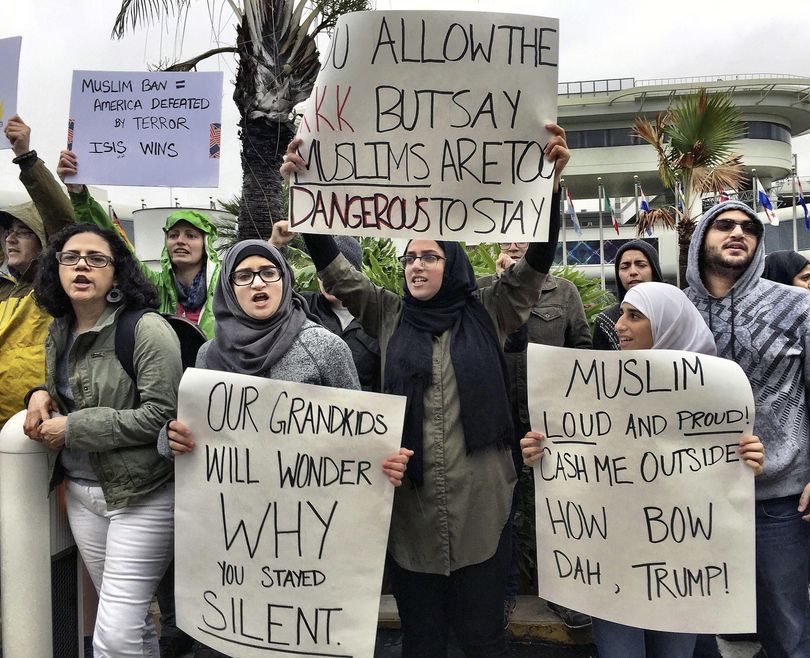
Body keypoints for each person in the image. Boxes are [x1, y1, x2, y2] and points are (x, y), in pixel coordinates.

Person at [280, 123, 569, 657]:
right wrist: (305, 194)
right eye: (411, 257)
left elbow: (536, 264)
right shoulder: (389, 315)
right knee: (424, 640)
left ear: (452, 264)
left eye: (430, 256)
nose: (417, 264)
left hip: (482, 503)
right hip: (411, 513)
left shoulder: (491, 309)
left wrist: (550, 187)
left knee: (483, 638)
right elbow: (338, 273)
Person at [158, 240, 410, 658]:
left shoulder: (325, 347)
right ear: (229, 287)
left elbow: (360, 434)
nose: (257, 283)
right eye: (244, 275)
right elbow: (190, 437)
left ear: (285, 279)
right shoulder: (208, 353)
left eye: (268, 272)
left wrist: (384, 459)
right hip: (235, 541)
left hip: (308, 538)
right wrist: (171, 439)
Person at [521, 281, 764, 657]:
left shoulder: (719, 390)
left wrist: (747, 458)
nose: (618, 325)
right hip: (613, 559)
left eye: (634, 316)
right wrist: (541, 451)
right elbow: (577, 458)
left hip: (684, 567)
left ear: (668, 323)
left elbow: (724, 468)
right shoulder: (596, 389)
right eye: (622, 313)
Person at [684, 199, 810, 656]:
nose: (738, 232)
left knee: (786, 630)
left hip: (777, 501)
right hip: (688, 501)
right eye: (724, 225)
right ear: (702, 237)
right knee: (690, 630)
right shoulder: (673, 309)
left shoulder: (798, 306)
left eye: (749, 227)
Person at [24, 224, 182, 656]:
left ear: (118, 273)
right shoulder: (59, 330)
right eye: (71, 257)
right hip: (81, 493)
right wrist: (37, 393)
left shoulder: (146, 330)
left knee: (113, 632)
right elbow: (70, 387)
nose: (82, 266)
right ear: (55, 268)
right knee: (129, 624)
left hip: (142, 494)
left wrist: (74, 429)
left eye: (97, 259)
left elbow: (161, 416)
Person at [478, 241, 592, 629]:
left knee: (557, 508)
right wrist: (502, 286)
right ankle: (503, 595)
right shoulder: (482, 290)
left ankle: (565, 593)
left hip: (551, 424)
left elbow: (583, 348)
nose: (514, 244)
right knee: (501, 511)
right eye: (509, 236)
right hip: (497, 420)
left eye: (523, 237)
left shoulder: (564, 292)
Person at [57, 150, 221, 338]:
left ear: (206, 243)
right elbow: (112, 242)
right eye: (173, 235)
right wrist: (78, 194)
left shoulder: (224, 285)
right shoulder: (154, 286)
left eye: (191, 236)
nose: (180, 241)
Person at [1, 115, 76, 427]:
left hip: (37, 426)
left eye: (23, 231)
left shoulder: (54, 285)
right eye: (7, 232)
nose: (11, 238)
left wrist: (26, 158)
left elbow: (63, 223)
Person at [291, 235, 380, 392]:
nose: (329, 280)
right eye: (323, 273)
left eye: (338, 273)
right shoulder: (302, 306)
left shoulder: (378, 316)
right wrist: (274, 245)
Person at [592, 240, 663, 349]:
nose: (633, 272)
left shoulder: (676, 313)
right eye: (625, 267)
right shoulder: (605, 321)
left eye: (641, 265)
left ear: (654, 271)